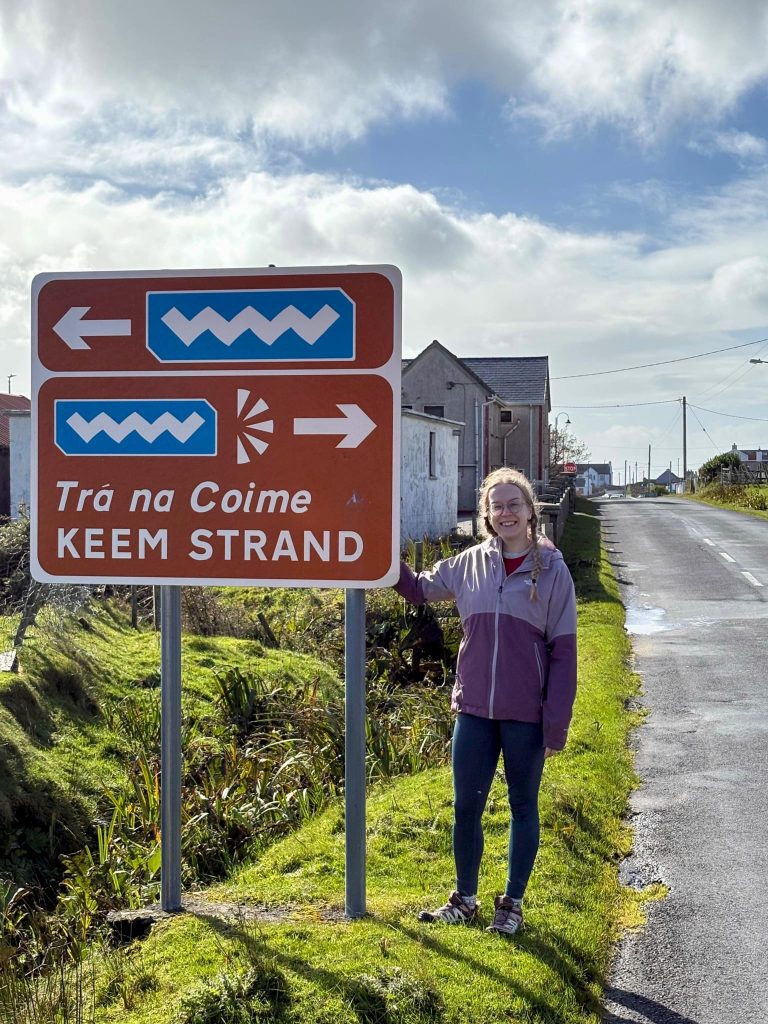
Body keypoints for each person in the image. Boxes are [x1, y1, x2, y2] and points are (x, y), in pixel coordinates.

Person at [395, 468, 577, 936]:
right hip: (474, 708)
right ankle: (465, 898)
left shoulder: (553, 570)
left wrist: (555, 724)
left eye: (514, 503)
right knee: (466, 807)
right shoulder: (469, 563)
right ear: (486, 515)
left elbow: (564, 653)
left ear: (531, 509)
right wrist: (378, 555)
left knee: (522, 806)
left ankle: (512, 903)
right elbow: (418, 589)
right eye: (496, 505)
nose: (505, 513)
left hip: (525, 714)